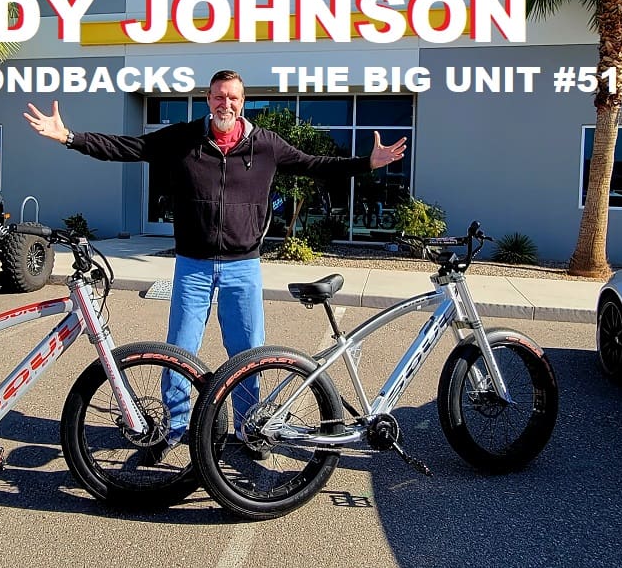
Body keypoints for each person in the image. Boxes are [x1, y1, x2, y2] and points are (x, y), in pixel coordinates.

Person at [24, 70, 406, 459]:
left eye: (233, 98)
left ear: (243, 102)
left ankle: (249, 427)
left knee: (248, 352)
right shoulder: (184, 138)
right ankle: (173, 428)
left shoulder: (266, 145)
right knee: (179, 350)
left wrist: (366, 163)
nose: (226, 104)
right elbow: (129, 147)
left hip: (244, 266)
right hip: (193, 265)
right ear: (208, 99)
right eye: (219, 97)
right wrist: (69, 137)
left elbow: (315, 164)